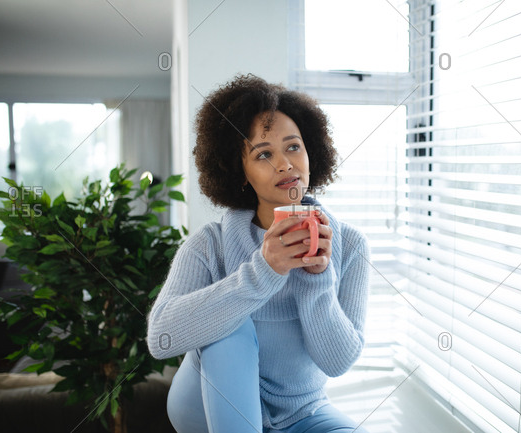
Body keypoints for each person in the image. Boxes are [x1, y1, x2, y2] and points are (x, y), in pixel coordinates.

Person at [147, 74, 371, 433]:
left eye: (294, 147)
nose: (285, 164)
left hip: (302, 413)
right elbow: (161, 339)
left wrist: (318, 281)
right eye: (264, 154)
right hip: (202, 406)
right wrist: (263, 271)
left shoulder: (351, 244)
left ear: (312, 152)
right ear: (241, 173)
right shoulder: (210, 244)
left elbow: (337, 361)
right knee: (231, 329)